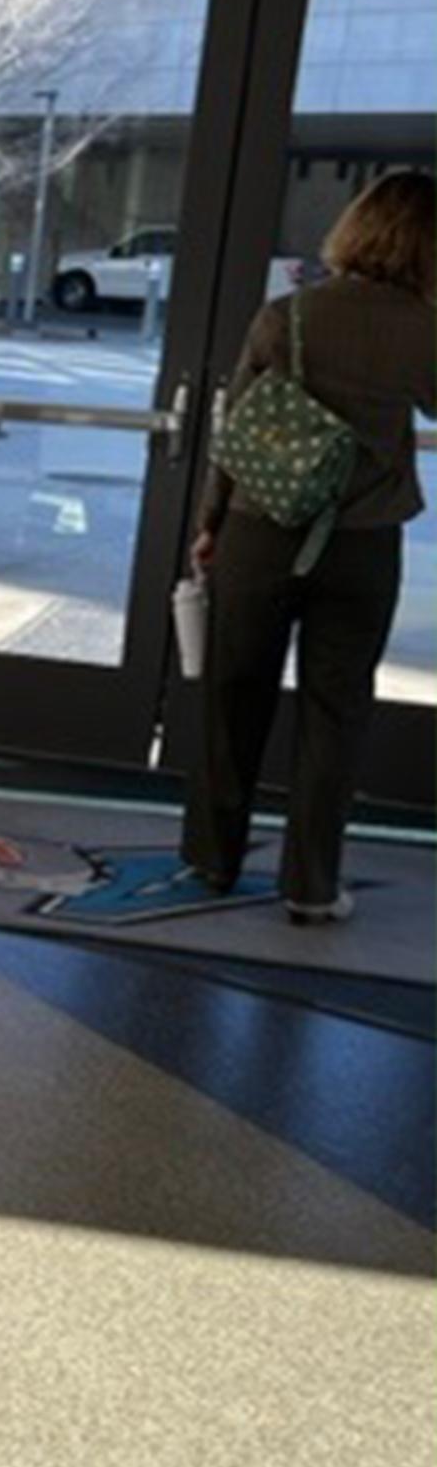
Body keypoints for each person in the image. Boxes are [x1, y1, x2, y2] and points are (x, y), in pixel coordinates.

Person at [182, 169, 436, 924]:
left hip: (261, 533)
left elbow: (235, 434)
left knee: (236, 698)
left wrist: (209, 527)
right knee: (336, 711)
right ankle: (312, 886)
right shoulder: (424, 330)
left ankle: (213, 860)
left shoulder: (286, 315)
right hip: (361, 547)